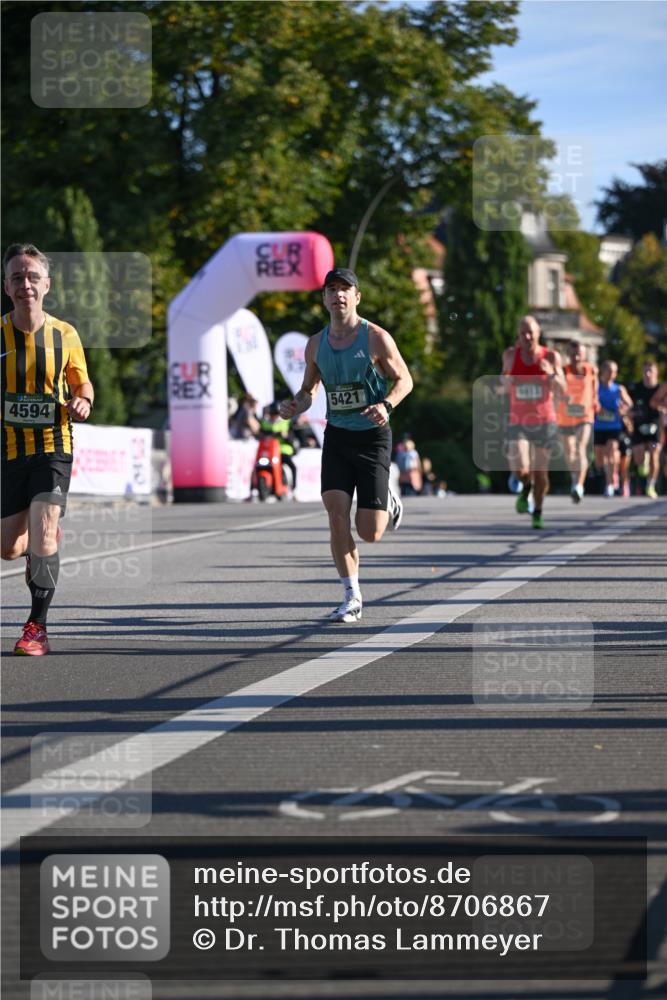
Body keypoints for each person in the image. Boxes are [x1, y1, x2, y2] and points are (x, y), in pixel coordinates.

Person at [279, 266, 412, 622]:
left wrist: (386, 404)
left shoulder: (376, 338)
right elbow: (309, 391)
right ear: (324, 298)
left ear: (356, 297)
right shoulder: (315, 345)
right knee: (337, 517)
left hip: (372, 437)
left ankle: (385, 496)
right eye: (332, 289)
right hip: (337, 436)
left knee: (370, 533)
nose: (338, 294)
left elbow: (405, 380)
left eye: (345, 289)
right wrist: (294, 405)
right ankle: (351, 595)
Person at [1, 243, 94, 655]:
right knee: (10, 548)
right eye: (18, 277)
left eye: (33, 277)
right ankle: (39, 537)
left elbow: (83, 384)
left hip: (53, 445)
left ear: (47, 285)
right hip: (8, 450)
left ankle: (36, 627)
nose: (26, 285)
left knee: (43, 529)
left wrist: (83, 401)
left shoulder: (65, 334)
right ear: (6, 286)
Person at [501, 315, 565, 529]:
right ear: (518, 335)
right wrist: (505, 381)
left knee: (541, 474)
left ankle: (537, 511)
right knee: (520, 466)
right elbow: (503, 383)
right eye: (523, 333)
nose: (527, 336)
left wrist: (552, 374)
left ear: (538, 333)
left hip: (544, 421)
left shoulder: (552, 356)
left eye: (531, 332)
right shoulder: (510, 355)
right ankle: (525, 486)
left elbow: (564, 389)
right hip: (518, 420)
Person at [556, 341, 598, 503]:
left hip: (584, 416)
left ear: (585, 354)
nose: (576, 356)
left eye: (579, 353)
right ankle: (575, 476)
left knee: (580, 447)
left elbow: (595, 388)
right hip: (565, 417)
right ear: (569, 355)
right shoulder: (564, 371)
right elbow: (556, 390)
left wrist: (596, 401)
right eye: (573, 353)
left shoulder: (591, 370)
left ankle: (579, 486)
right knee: (569, 452)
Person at [593, 360, 633, 497]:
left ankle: (609, 485)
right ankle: (610, 476)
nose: (611, 374)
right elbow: (590, 402)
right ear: (602, 371)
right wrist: (597, 407)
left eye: (614, 371)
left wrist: (624, 408)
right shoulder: (596, 388)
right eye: (609, 370)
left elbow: (629, 404)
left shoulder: (619, 389)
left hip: (614, 427)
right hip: (599, 427)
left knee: (610, 454)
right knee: (599, 460)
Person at [629, 361, 662, 498]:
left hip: (655, 428)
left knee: (654, 453)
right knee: (638, 458)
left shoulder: (661, 390)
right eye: (645, 371)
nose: (648, 374)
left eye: (651, 371)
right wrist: (629, 413)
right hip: (639, 428)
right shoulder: (635, 388)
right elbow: (628, 405)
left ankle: (650, 485)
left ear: (656, 373)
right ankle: (643, 464)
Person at [260, 402, 298, 492]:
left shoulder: (286, 422)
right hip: (269, 450)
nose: (274, 417)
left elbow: (291, 437)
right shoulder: (265, 423)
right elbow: (261, 433)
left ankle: (293, 487)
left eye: (275, 414)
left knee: (292, 466)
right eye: (272, 415)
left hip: (283, 450)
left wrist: (286, 436)